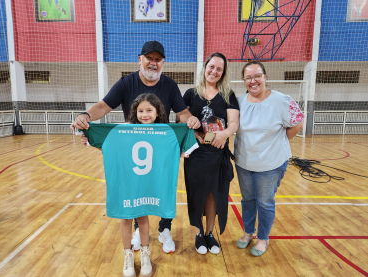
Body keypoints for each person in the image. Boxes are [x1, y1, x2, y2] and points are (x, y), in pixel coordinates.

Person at [71, 40, 200, 255]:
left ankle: (164, 229)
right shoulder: (125, 83)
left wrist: (192, 120)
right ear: (139, 59)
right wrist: (85, 116)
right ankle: (138, 230)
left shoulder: (170, 85)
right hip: (132, 148)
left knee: (163, 185)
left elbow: (183, 112)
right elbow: (103, 106)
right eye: (149, 58)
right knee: (136, 187)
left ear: (163, 63)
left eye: (158, 60)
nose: (153, 63)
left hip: (161, 149)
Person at [234, 61, 304, 257]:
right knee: (248, 199)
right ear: (244, 81)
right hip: (244, 163)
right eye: (248, 77)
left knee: (264, 202)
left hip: (270, 164)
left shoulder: (282, 100)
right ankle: (248, 232)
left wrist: (277, 143)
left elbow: (297, 123)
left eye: (257, 76)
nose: (253, 81)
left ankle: (263, 237)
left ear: (265, 76)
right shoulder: (238, 102)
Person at [182, 52, 239, 255]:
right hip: (196, 154)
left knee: (213, 195)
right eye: (211, 66)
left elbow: (234, 123)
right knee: (197, 193)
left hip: (217, 152)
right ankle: (198, 233)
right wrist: (194, 130)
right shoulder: (190, 93)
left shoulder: (228, 95)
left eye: (219, 69)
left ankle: (210, 233)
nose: (214, 71)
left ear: (223, 73)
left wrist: (224, 133)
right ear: (205, 67)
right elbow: (182, 118)